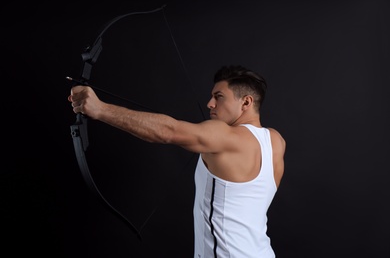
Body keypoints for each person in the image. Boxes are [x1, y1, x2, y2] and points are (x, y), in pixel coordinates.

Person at [68, 65, 286, 258]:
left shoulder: (226, 137)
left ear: (246, 102)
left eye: (218, 96)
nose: (210, 103)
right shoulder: (275, 141)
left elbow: (168, 131)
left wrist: (100, 109)